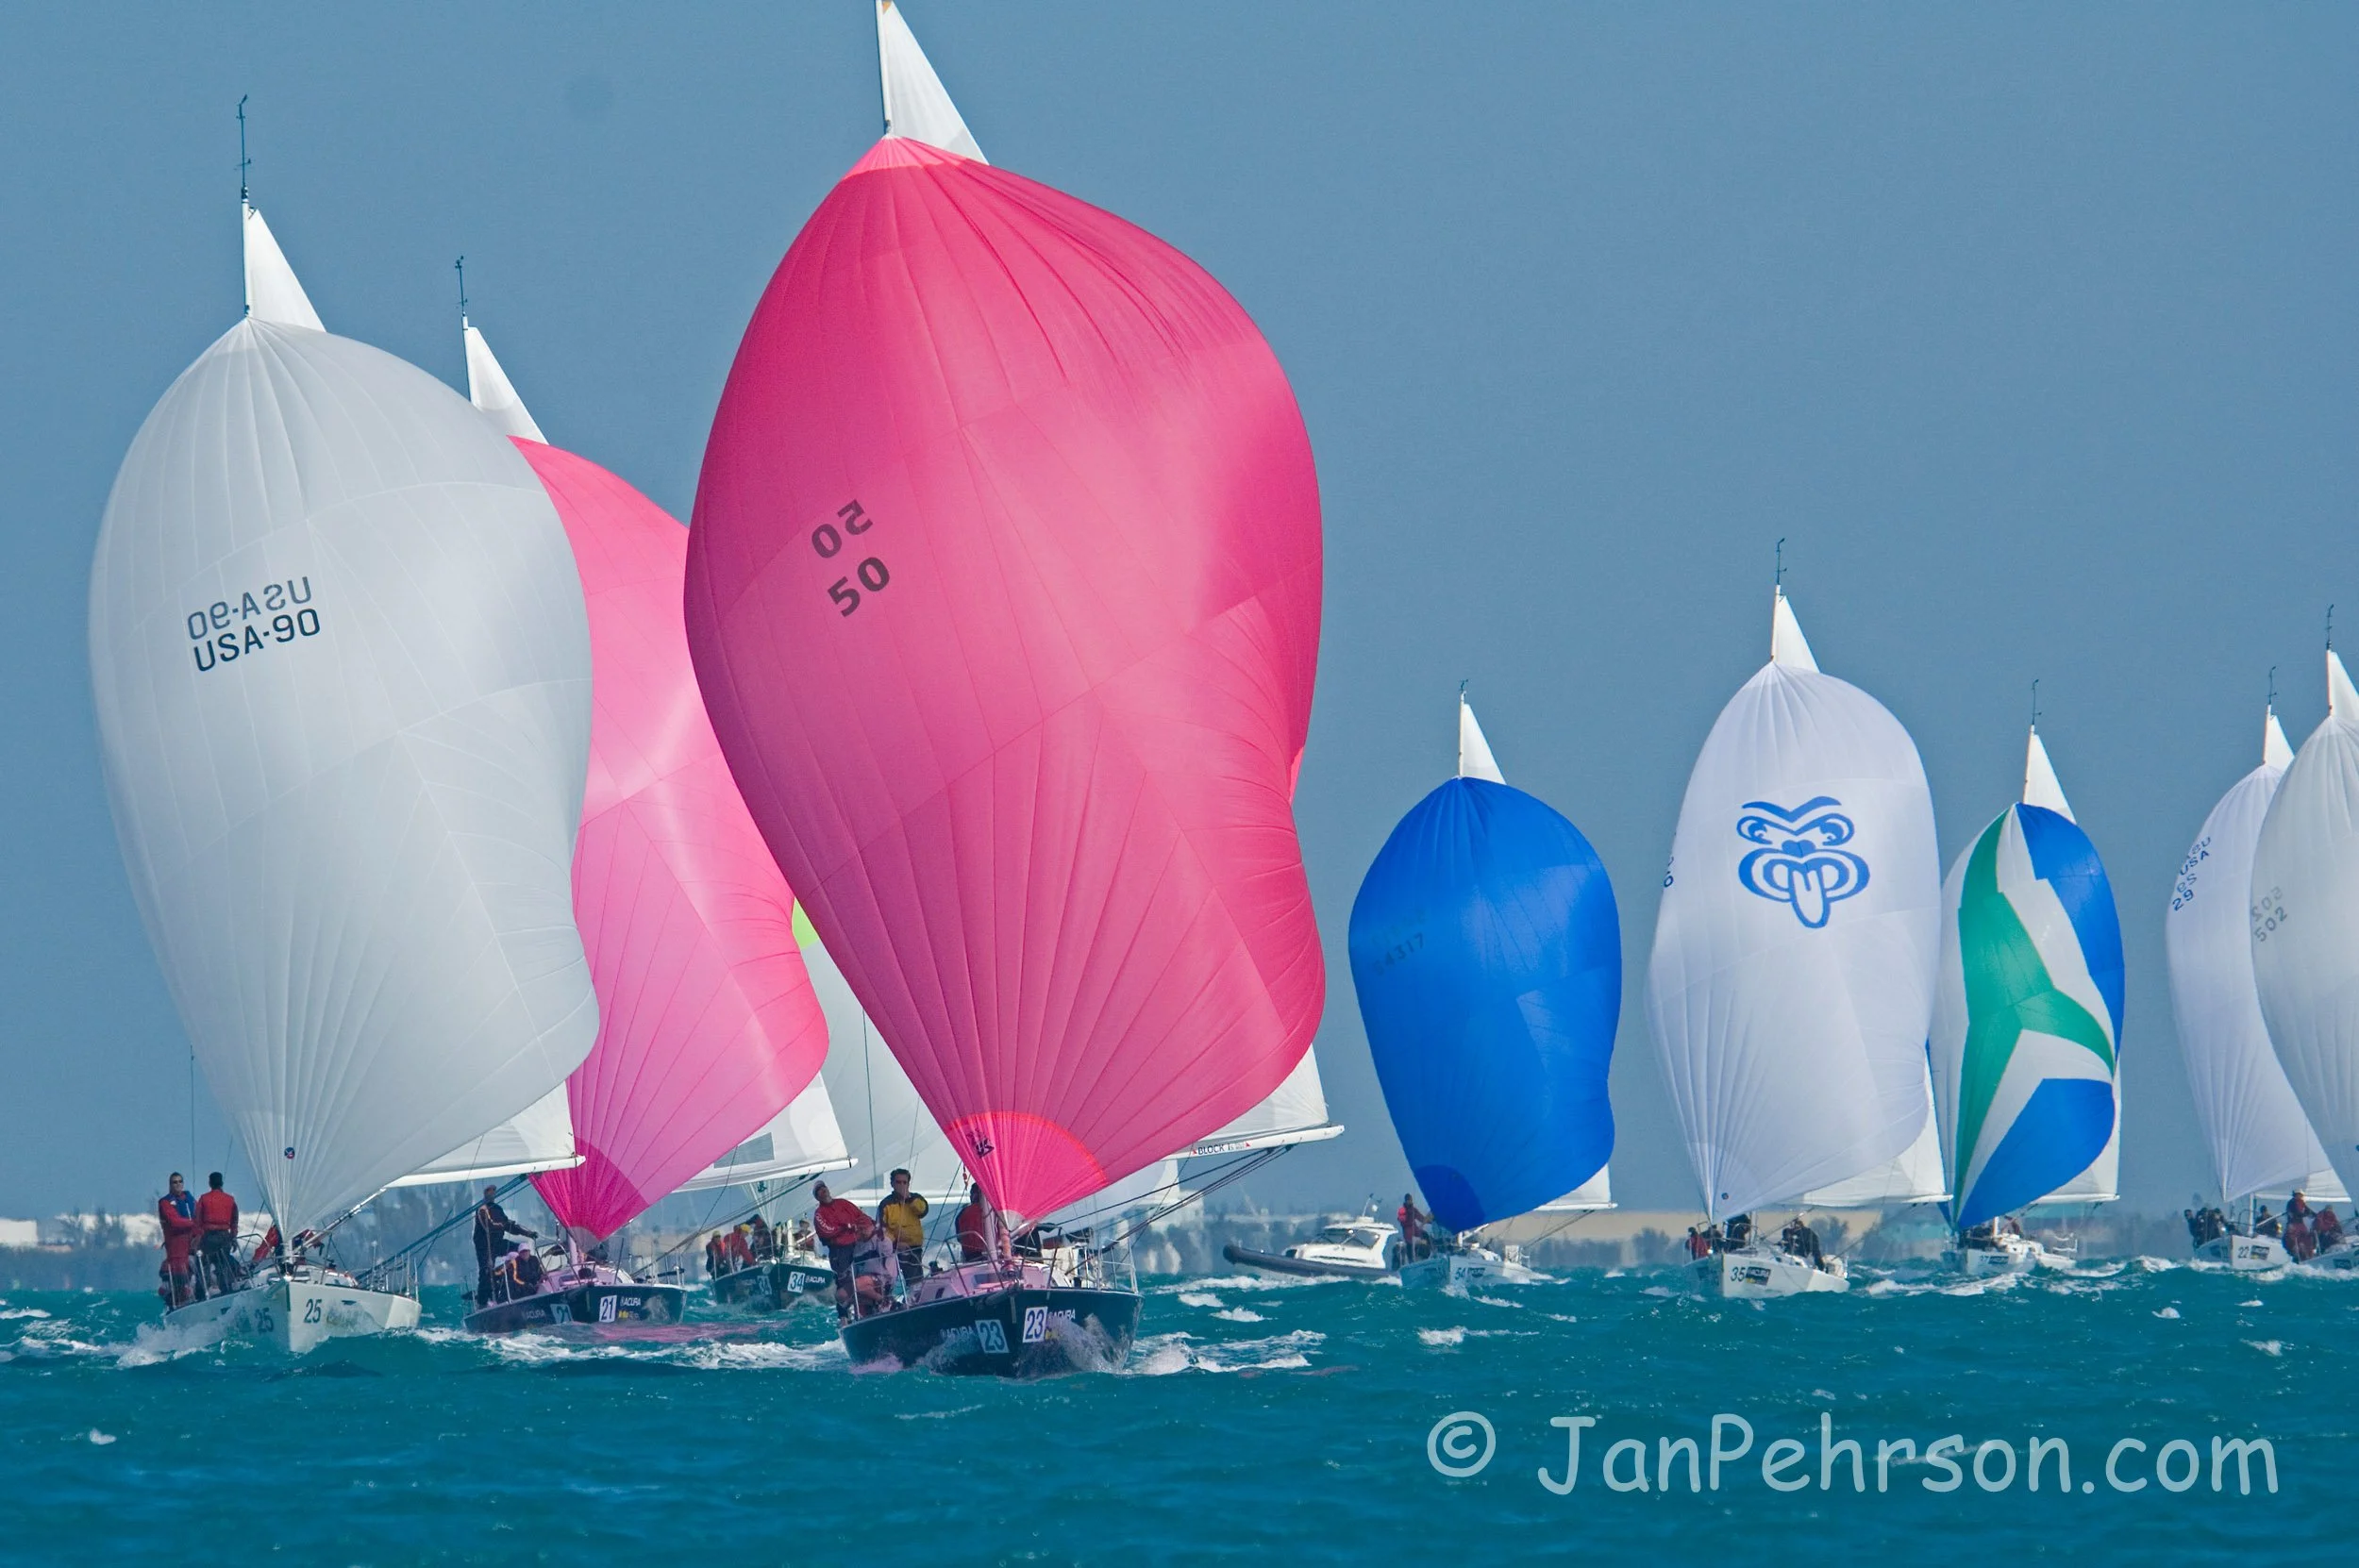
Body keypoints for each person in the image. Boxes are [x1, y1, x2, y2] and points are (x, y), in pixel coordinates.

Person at [812, 1182, 878, 1321]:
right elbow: (826, 1231)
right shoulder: (819, 1214)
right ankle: (844, 1317)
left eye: (824, 1188)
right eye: (819, 1191)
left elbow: (859, 1215)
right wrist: (846, 1227)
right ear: (817, 1197)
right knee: (844, 1283)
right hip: (839, 1252)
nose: (823, 1191)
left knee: (864, 1277)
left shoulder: (843, 1203)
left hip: (857, 1246)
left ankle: (869, 1310)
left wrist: (872, 1225)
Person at [473, 1186, 536, 1305]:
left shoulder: (498, 1209)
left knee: (520, 1249)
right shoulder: (481, 1210)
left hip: (498, 1242)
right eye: (488, 1192)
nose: (491, 1194)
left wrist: (528, 1233)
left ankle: (523, 1281)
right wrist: (504, 1224)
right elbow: (489, 1226)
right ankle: (482, 1302)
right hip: (485, 1247)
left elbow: (509, 1226)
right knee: (486, 1271)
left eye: (493, 1191)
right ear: (484, 1194)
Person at [877, 1168, 929, 1291]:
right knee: (888, 1280)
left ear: (908, 1184)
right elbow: (881, 1229)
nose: (901, 1185)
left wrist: (909, 1198)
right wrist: (895, 1244)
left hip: (913, 1248)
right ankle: (887, 1302)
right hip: (893, 1249)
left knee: (916, 1283)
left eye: (904, 1182)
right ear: (892, 1184)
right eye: (898, 1182)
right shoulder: (886, 1204)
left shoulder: (916, 1199)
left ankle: (915, 1300)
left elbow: (923, 1210)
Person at [156, 1173, 200, 1308]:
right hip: (176, 1246)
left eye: (180, 1181)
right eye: (175, 1182)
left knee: (200, 1266)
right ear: (170, 1185)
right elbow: (174, 1222)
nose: (178, 1184)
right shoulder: (165, 1203)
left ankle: (204, 1292)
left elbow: (200, 1214)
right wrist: (194, 1223)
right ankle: (180, 1301)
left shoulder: (190, 1200)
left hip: (193, 1244)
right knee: (180, 1274)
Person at [194, 1173, 241, 1296]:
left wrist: (197, 1239)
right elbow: (234, 1220)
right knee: (223, 1265)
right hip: (225, 1236)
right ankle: (226, 1290)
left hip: (209, 1237)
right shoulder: (230, 1199)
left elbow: (197, 1220)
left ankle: (201, 1292)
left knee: (203, 1264)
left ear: (210, 1183)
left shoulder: (204, 1198)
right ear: (221, 1183)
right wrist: (233, 1237)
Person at [956, 1184, 994, 1261]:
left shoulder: (963, 1212)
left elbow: (959, 1237)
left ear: (975, 1195)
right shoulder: (995, 1211)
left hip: (971, 1257)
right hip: (996, 1254)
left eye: (971, 1194)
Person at [1397, 1193, 1431, 1262]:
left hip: (1415, 1229)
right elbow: (1401, 1220)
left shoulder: (1414, 1210)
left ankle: (1429, 1252)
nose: (1409, 1201)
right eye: (1408, 1200)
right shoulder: (1402, 1210)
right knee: (1410, 1243)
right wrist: (1406, 1216)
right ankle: (1411, 1259)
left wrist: (1428, 1221)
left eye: (1410, 1200)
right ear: (1405, 1201)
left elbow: (1420, 1217)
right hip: (1407, 1230)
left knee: (1425, 1235)